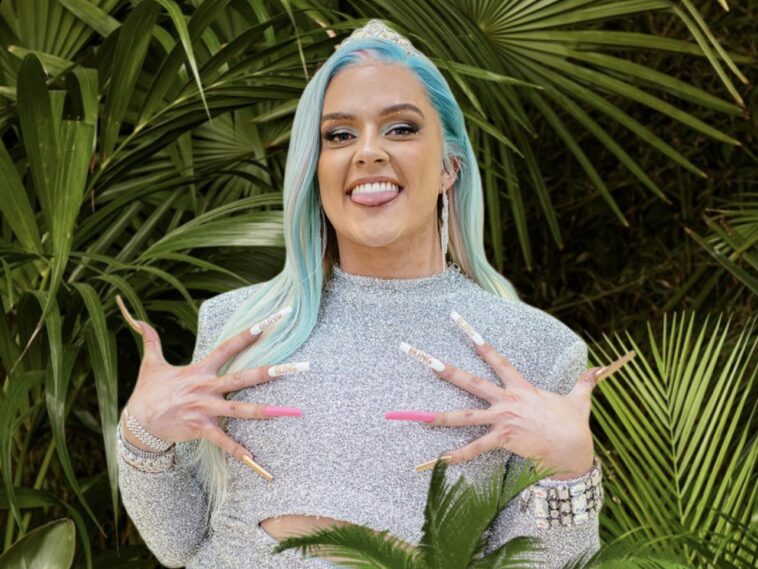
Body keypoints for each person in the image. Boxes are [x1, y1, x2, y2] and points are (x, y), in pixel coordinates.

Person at [116, 19, 606, 568]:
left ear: (449, 166)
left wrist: (571, 468)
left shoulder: (534, 348)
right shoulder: (238, 322)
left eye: (400, 128)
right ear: (315, 168)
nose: (368, 151)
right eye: (340, 135)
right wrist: (142, 433)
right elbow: (178, 541)